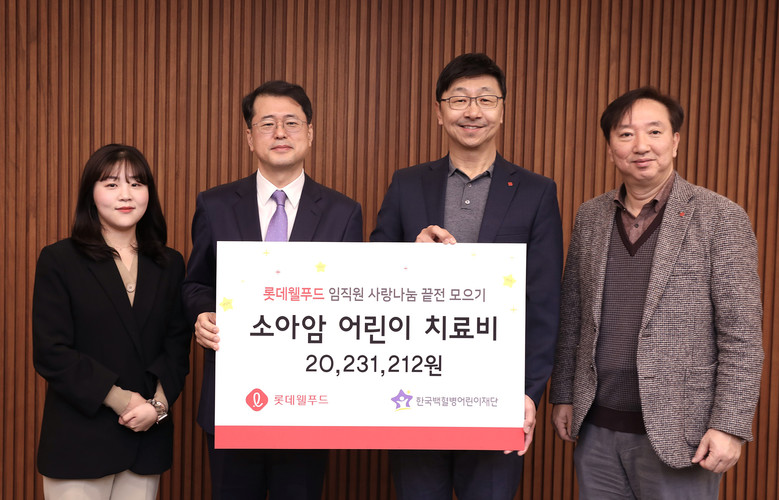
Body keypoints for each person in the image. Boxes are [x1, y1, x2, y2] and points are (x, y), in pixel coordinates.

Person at [548, 87, 764, 499]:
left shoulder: (720, 217)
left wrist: (730, 425)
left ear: (675, 141)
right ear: (610, 147)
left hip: (682, 434)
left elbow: (742, 336)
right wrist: (564, 394)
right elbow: (573, 314)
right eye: (626, 134)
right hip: (595, 428)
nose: (641, 145)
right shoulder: (591, 216)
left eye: (654, 131)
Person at [371, 53, 563, 500]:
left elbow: (543, 302)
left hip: (496, 392)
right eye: (459, 99)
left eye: (485, 99)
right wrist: (409, 255)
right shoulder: (406, 183)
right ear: (439, 112)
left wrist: (528, 392)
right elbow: (374, 274)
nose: (472, 111)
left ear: (502, 110)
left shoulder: (536, 192)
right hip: (414, 388)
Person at [182, 80, 363, 500]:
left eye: (291, 123)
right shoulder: (214, 205)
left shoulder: (343, 212)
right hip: (232, 397)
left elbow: (352, 298)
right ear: (249, 137)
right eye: (267, 124)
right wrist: (202, 314)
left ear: (310, 133)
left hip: (309, 402)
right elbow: (196, 282)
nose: (280, 133)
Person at [32, 144, 191, 499]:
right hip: (79, 439)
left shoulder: (170, 263)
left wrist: (157, 407)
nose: (125, 195)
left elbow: (177, 347)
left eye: (136, 184)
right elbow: (51, 351)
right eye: (111, 184)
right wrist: (121, 400)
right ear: (91, 193)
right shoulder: (60, 260)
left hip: (146, 437)